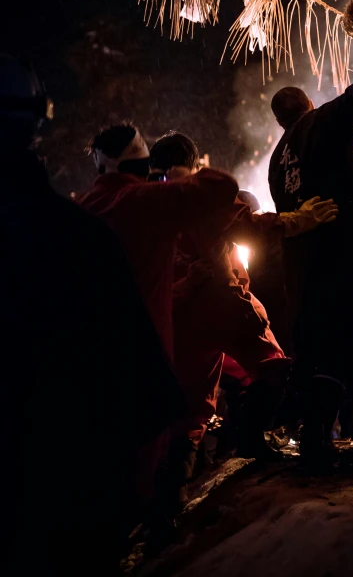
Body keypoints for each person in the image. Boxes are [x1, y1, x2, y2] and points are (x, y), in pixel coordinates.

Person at [0, 55, 179, 576]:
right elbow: (142, 395)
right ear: (37, 126)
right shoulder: (77, 238)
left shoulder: (87, 221)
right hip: (68, 508)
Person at [148, 131, 338, 510]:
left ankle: (170, 504)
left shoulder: (147, 203)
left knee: (193, 409)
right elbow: (250, 224)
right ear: (194, 162)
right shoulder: (200, 197)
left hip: (180, 317)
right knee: (275, 367)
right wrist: (300, 220)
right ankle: (257, 437)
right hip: (226, 304)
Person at [76, 122, 239, 529]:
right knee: (143, 458)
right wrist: (181, 174)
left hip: (89, 352)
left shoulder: (81, 209)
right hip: (145, 350)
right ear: (144, 163)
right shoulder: (148, 202)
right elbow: (222, 187)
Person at [268, 42, 353, 469]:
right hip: (350, 259)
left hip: (308, 273)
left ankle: (315, 441)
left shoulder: (277, 160)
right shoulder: (321, 121)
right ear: (308, 106)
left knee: (324, 352)